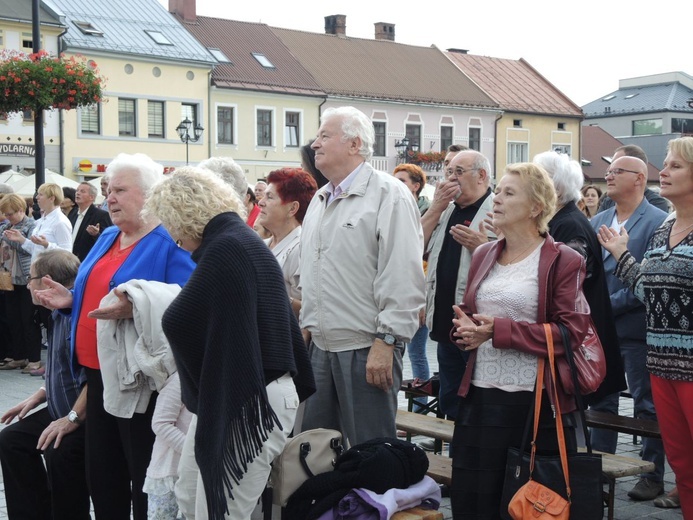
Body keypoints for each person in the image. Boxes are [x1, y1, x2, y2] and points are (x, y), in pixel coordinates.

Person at [144, 166, 315, 520]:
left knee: (220, 512)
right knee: (191, 499)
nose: (175, 239)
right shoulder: (236, 241)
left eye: (172, 229)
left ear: (183, 216)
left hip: (249, 399)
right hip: (241, 396)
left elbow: (181, 320)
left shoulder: (228, 247)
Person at [35, 153, 196, 520]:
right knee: (103, 479)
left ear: (150, 194)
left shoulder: (170, 240)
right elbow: (99, 297)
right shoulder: (108, 235)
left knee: (142, 477)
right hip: (96, 377)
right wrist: (70, 301)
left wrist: (139, 307)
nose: (110, 198)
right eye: (108, 190)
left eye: (120, 190)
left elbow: (187, 302)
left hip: (142, 382)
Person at [449, 162, 590, 519]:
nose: (496, 199)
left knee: (526, 505)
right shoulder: (484, 253)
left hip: (533, 404)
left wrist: (496, 331)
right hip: (479, 396)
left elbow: (571, 333)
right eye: (498, 191)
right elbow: (470, 312)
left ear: (535, 207)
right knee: (472, 500)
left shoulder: (563, 259)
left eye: (509, 193)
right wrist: (464, 329)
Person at [299, 106, 425, 446]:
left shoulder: (389, 194)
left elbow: (402, 274)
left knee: (369, 454)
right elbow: (313, 271)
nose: (315, 145)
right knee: (315, 455)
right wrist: (308, 327)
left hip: (366, 348)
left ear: (354, 144)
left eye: (325, 136)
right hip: (320, 349)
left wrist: (387, 340)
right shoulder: (321, 198)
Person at [597, 136, 693, 516]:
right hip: (662, 363)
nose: (663, 172)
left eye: (676, 166)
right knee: (683, 465)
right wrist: (621, 254)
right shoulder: (663, 228)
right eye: (665, 164)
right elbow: (646, 290)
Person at [590, 154, 668, 501]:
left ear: (639, 178)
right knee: (601, 399)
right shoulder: (600, 219)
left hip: (636, 330)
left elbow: (648, 283)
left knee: (647, 405)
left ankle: (652, 474)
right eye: (607, 171)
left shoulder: (657, 222)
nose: (608, 176)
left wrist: (605, 307)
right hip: (601, 330)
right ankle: (598, 468)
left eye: (616, 171)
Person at [0, 249, 90, 520]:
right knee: (11, 440)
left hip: (85, 414)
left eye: (31, 277)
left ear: (47, 281)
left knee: (58, 451)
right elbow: (62, 367)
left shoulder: (78, 316)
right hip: (61, 407)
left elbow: (95, 380)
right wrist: (38, 395)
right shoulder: (56, 313)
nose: (27, 284)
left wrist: (71, 418)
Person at [534, 151, 625, 405]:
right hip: (573, 336)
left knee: (591, 411)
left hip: (581, 340)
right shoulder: (557, 220)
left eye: (537, 180)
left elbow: (566, 282)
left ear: (554, 186)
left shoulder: (570, 224)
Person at [420, 149, 495, 420]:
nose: (451, 178)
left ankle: (473, 459)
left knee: (477, 405)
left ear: (482, 176)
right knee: (450, 402)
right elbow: (416, 244)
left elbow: (519, 261)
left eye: (459, 172)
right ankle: (453, 458)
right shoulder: (445, 210)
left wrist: (483, 247)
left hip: (478, 329)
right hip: (444, 325)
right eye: (448, 171)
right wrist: (437, 206)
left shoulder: (497, 209)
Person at [394, 163, 432, 410]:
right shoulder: (396, 210)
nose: (397, 184)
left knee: (416, 353)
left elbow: (426, 261)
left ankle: (420, 407)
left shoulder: (427, 214)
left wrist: (422, 301)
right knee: (404, 353)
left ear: (416, 186)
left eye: (403, 180)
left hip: (418, 295)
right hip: (401, 293)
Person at [256, 167, 317, 318]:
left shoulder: (301, 248)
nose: (260, 202)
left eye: (269, 197)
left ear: (292, 208)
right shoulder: (263, 244)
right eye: (263, 196)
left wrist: (269, 293)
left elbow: (313, 309)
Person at [143, 371, 192, 520]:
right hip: (167, 474)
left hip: (197, 474)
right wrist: (193, 451)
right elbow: (160, 423)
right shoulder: (179, 381)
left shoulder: (220, 383)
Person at [0, 194, 40, 373]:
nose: (8, 218)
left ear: (21, 210)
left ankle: (34, 359)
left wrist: (12, 239)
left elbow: (31, 249)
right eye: (6, 215)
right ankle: (18, 356)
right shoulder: (9, 226)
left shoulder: (33, 226)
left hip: (26, 278)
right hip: (9, 278)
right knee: (13, 319)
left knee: (28, 319)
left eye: (10, 214)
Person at [3, 183, 72, 264]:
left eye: (41, 194)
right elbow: (35, 249)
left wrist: (47, 244)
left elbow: (67, 253)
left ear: (52, 198)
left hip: (51, 273)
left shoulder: (60, 221)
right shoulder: (43, 220)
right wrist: (21, 239)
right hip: (38, 270)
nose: (36, 197)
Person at [597, 144, 670, 213]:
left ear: (638, 177)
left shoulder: (656, 204)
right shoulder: (608, 202)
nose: (608, 177)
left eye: (618, 171)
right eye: (610, 171)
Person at [70, 181, 112, 261]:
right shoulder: (73, 213)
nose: (77, 193)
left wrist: (96, 234)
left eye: (82, 191)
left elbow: (108, 241)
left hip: (89, 260)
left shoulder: (101, 215)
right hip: (71, 260)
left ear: (91, 197)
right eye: (77, 190)